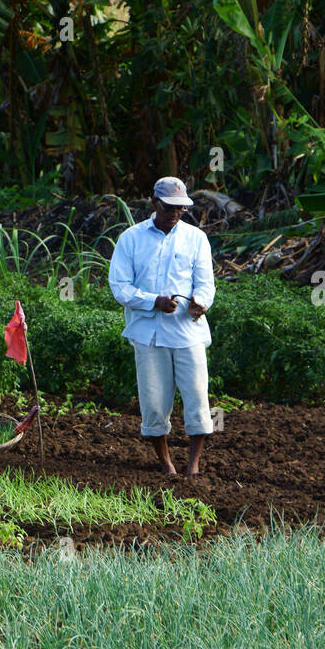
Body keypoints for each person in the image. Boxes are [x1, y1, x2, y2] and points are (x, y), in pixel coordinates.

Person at [108, 176, 216, 474]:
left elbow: (206, 285)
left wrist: (200, 302)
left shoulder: (196, 239)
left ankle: (193, 465)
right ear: (154, 203)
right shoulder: (131, 238)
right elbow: (120, 287)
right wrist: (154, 301)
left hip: (187, 331)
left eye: (181, 209)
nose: (176, 214)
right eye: (170, 207)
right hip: (148, 333)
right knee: (154, 403)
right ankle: (166, 464)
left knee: (197, 398)